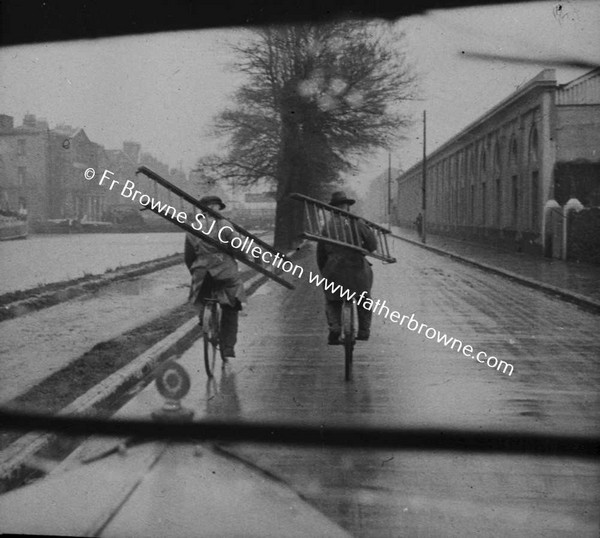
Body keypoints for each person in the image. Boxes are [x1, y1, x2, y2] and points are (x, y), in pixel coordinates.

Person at [184, 195, 246, 358]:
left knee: (200, 294)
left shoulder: (193, 226)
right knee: (232, 305)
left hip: (202, 271)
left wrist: (195, 273)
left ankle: (204, 320)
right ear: (218, 208)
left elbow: (188, 256)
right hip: (225, 270)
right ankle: (228, 346)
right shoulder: (225, 225)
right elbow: (237, 248)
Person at [316, 191, 378, 345]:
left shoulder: (328, 226)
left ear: (333, 208)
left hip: (334, 270)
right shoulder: (357, 222)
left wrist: (324, 272)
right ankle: (364, 331)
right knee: (364, 298)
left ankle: (335, 328)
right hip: (357, 269)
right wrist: (361, 247)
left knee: (332, 300)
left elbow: (321, 254)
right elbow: (372, 245)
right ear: (347, 207)